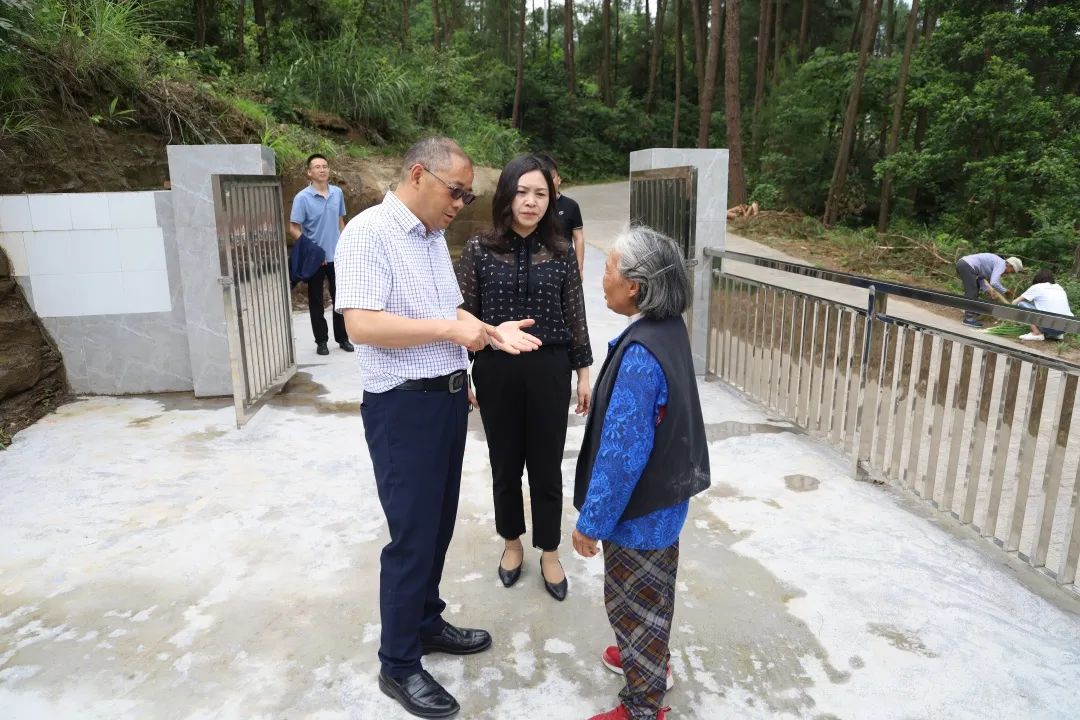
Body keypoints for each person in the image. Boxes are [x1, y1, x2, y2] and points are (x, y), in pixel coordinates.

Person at [335, 137, 541, 719]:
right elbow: (364, 325)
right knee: (412, 537)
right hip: (403, 410)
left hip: (447, 401)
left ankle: (425, 623)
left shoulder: (429, 239)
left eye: (467, 195)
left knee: (439, 525)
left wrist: (486, 331)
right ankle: (398, 663)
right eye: (456, 192)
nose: (460, 203)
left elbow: (451, 310)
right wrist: (452, 336)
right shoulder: (369, 234)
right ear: (419, 175)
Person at [572, 226, 711, 720]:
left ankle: (643, 704)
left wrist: (591, 522)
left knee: (632, 605)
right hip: (664, 503)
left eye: (609, 268)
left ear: (634, 285)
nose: (602, 277)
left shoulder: (640, 357)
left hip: (639, 511)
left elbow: (621, 456)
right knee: (652, 595)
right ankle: (650, 661)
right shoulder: (668, 327)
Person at [456, 154, 593, 602]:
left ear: (551, 199)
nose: (531, 202)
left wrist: (583, 374)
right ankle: (512, 543)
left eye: (540, 194)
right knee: (505, 463)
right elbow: (464, 316)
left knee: (547, 465)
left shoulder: (559, 252)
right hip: (495, 369)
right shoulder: (479, 248)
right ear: (507, 195)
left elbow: (576, 314)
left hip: (549, 370)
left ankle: (549, 551)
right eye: (522, 192)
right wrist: (465, 370)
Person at [289, 153, 353, 355]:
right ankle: (321, 341)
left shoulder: (337, 193)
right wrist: (311, 250)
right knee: (316, 301)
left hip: (337, 256)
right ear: (309, 172)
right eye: (317, 167)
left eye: (325, 166)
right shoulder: (302, 198)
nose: (322, 169)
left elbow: (341, 222)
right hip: (315, 259)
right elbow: (293, 228)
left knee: (341, 300)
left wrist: (347, 246)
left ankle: (343, 338)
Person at [536, 153, 586, 276]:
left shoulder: (571, 206)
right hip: (538, 264)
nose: (549, 182)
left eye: (552, 177)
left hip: (565, 264)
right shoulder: (534, 205)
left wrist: (579, 267)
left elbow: (578, 238)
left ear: (559, 179)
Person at [955, 252, 1023, 328]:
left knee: (975, 289)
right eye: (1012, 271)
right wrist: (1005, 291)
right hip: (967, 266)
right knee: (972, 292)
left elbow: (980, 278)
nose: (1010, 273)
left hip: (965, 265)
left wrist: (987, 290)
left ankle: (971, 311)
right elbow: (994, 282)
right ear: (1010, 265)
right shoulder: (1001, 264)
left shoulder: (997, 263)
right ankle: (968, 319)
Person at [1012, 268, 1073, 341]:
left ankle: (1036, 333)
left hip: (1050, 326)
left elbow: (1015, 302)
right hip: (1066, 327)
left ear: (1037, 278)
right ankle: (1056, 335)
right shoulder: (1059, 288)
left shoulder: (1037, 287)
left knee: (1021, 304)